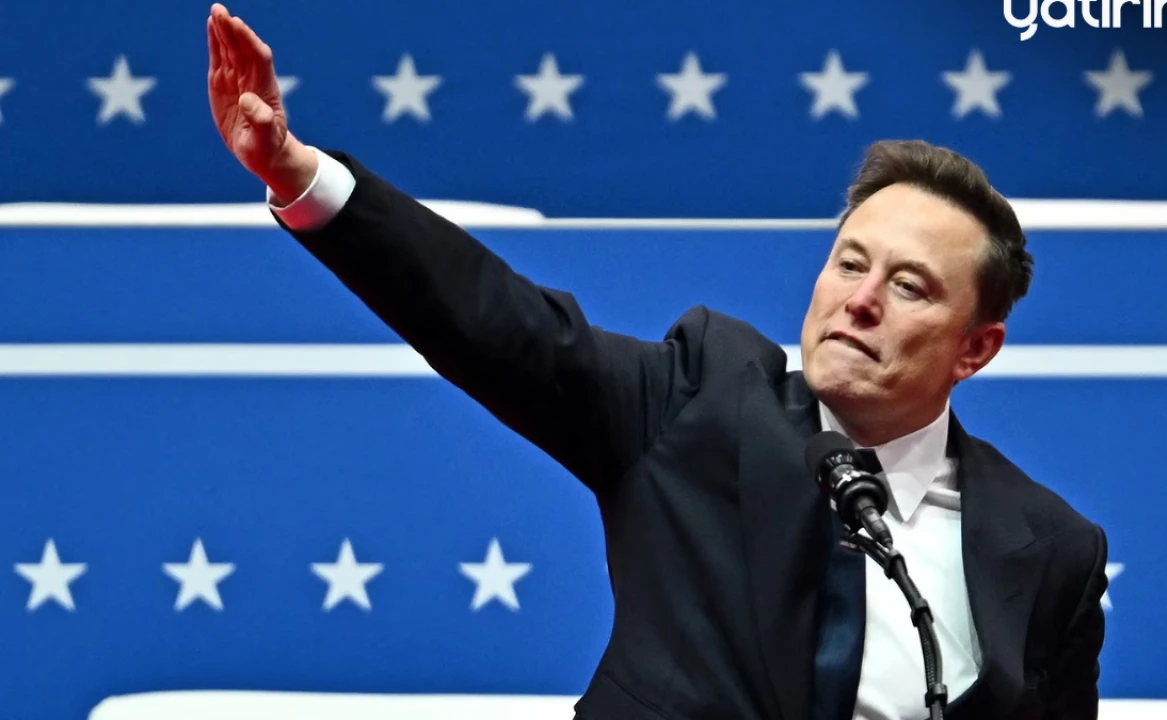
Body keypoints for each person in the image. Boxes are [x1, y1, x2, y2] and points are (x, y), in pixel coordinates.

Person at [205, 4, 1109, 719]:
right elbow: (498, 322)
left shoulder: (1051, 550)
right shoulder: (699, 400)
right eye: (849, 263)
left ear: (976, 348)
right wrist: (298, 176)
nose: (861, 299)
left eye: (908, 286)